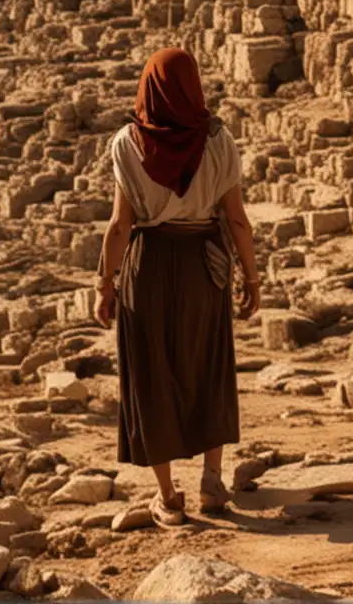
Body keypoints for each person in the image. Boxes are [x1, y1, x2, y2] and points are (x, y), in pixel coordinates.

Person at [94, 46, 260, 526]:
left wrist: (105, 283)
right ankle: (211, 481)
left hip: (148, 266)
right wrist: (250, 276)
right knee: (209, 364)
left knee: (151, 376)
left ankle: (167, 498)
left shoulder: (128, 142)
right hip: (203, 264)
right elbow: (238, 220)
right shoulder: (218, 139)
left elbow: (119, 226)